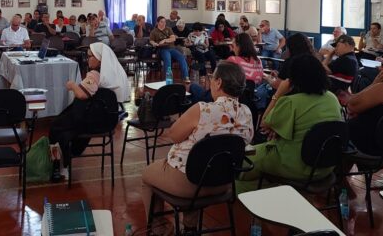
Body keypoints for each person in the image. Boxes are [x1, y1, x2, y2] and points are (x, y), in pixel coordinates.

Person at [141, 62, 253, 235]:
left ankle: (158, 228)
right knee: (199, 163)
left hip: (189, 183)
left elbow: (174, 135)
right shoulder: (246, 113)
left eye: (212, 78)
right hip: (223, 182)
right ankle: (190, 228)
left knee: (147, 175)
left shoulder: (203, 109)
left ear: (218, 83)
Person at [237, 54, 342, 192]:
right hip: (325, 165)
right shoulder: (332, 98)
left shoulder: (291, 102)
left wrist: (278, 94)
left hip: (296, 164)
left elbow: (264, 123)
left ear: (293, 79)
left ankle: (237, 191)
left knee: (243, 161)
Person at [49, 42, 129, 180]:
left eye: (90, 56)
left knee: (55, 127)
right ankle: (66, 161)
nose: (88, 59)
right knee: (67, 131)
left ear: (99, 59)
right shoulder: (114, 74)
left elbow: (81, 94)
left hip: (89, 119)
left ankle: (58, 165)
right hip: (107, 121)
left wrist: (72, 85)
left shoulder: (94, 75)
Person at [150, 15, 190, 83]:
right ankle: (167, 78)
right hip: (162, 49)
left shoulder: (168, 29)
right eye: (162, 22)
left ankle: (186, 77)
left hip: (171, 48)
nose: (164, 23)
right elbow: (151, 40)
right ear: (158, 22)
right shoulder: (154, 31)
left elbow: (173, 38)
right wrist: (154, 43)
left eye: (164, 22)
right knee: (168, 59)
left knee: (182, 58)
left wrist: (165, 40)